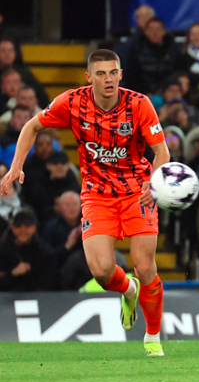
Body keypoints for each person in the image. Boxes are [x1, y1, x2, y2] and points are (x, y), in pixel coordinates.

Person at [0, 49, 170, 357]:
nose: (108, 79)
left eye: (113, 73)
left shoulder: (139, 104)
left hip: (137, 192)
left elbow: (162, 153)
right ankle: (128, 290)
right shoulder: (72, 102)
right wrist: (16, 165)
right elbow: (31, 126)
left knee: (145, 267)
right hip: (97, 194)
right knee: (103, 271)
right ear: (88, 77)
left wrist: (152, 181)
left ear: (121, 74)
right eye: (101, 73)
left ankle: (153, 336)